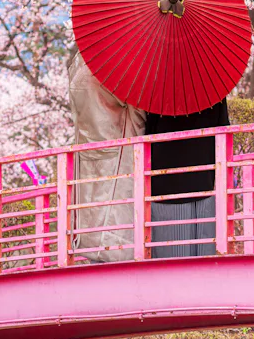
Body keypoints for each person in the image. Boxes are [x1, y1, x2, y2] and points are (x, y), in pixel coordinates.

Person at [67, 49, 145, 262]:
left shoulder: (80, 64)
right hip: (119, 148)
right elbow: (139, 107)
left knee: (94, 215)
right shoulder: (115, 64)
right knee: (119, 218)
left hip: (90, 149)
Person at [144, 100, 230, 258]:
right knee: (206, 260)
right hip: (203, 180)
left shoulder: (157, 93)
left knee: (169, 262)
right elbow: (223, 128)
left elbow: (147, 132)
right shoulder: (212, 90)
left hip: (166, 185)